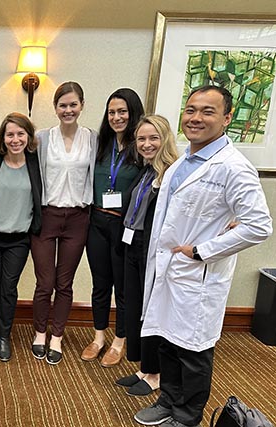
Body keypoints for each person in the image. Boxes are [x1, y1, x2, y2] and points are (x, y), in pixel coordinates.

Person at [135, 86, 272, 427]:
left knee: (193, 350)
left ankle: (186, 415)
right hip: (170, 270)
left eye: (208, 111)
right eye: (191, 109)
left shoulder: (233, 167)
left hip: (198, 275)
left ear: (227, 119)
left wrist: (202, 251)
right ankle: (167, 400)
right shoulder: (184, 159)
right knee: (166, 340)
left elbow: (259, 225)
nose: (196, 118)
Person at [31, 82, 97, 365]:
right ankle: (40, 332)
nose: (68, 110)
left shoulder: (93, 139)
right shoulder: (42, 137)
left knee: (64, 283)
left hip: (78, 218)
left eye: (73, 104)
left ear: (82, 105)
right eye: (62, 105)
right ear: (55, 108)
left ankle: (57, 335)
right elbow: (14, 148)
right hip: (47, 216)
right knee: (45, 282)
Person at [116, 115, 177, 397]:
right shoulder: (147, 171)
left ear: (165, 139)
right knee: (134, 306)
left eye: (153, 138)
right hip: (133, 244)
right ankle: (143, 367)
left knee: (151, 310)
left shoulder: (174, 174)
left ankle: (155, 373)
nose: (146, 144)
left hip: (153, 249)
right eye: (141, 139)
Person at [82, 88, 144, 367]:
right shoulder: (101, 145)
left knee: (122, 288)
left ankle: (119, 341)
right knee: (99, 284)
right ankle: (98, 338)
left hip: (124, 225)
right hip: (97, 221)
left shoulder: (141, 148)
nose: (116, 117)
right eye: (111, 112)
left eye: (122, 112)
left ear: (133, 114)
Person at [0, 112, 42, 362]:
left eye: (20, 134)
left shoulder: (36, 163)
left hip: (19, 239)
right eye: (10, 134)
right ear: (3, 138)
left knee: (9, 288)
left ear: (28, 136)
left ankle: (4, 336)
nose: (15, 139)